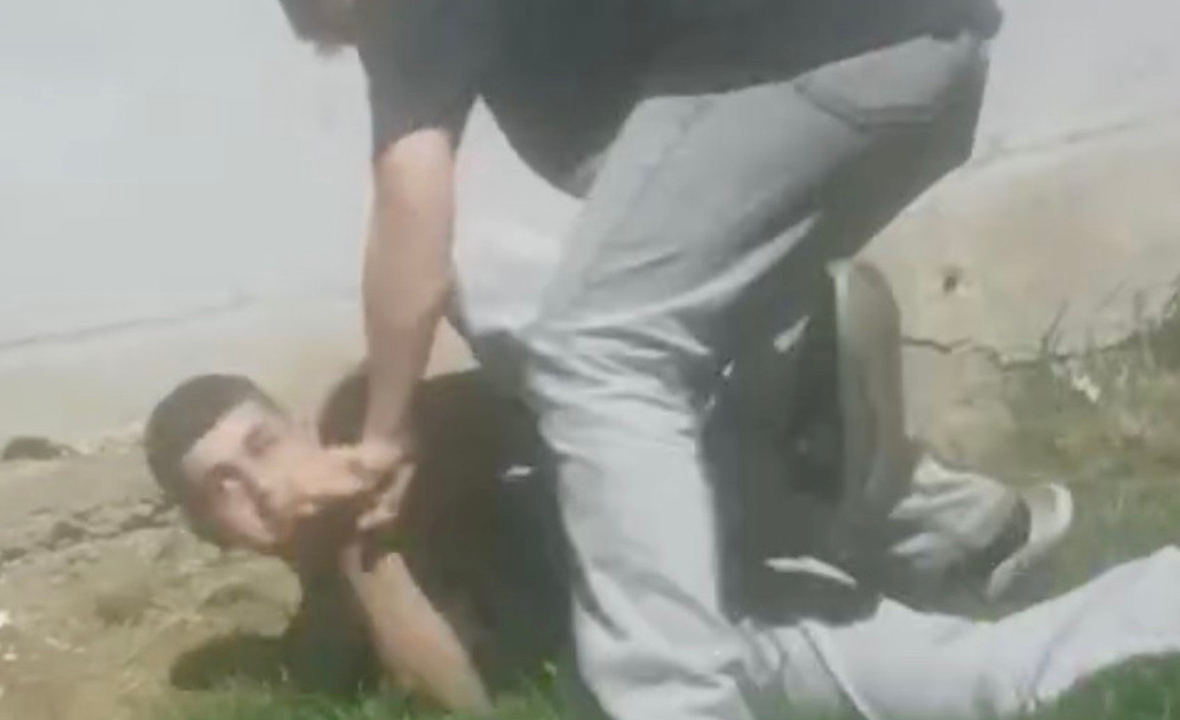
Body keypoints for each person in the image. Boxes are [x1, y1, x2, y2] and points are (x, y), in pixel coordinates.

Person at [266, 2, 1020, 717]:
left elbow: (410, 207)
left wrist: (383, 433)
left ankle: (672, 702)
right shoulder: (539, 40)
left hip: (824, 60)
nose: (390, 66)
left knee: (597, 350)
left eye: (356, 34)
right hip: (909, 51)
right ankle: (968, 535)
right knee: (688, 363)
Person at [143, 361, 1180, 720]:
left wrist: (369, 484)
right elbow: (463, 703)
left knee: (998, 685)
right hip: (683, 656)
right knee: (985, 675)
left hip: (717, 592)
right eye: (221, 490)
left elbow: (546, 409)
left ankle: (907, 500)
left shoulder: (402, 430)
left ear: (301, 430)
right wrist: (351, 550)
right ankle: (971, 533)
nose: (258, 488)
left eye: (262, 446)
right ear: (209, 535)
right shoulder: (325, 632)